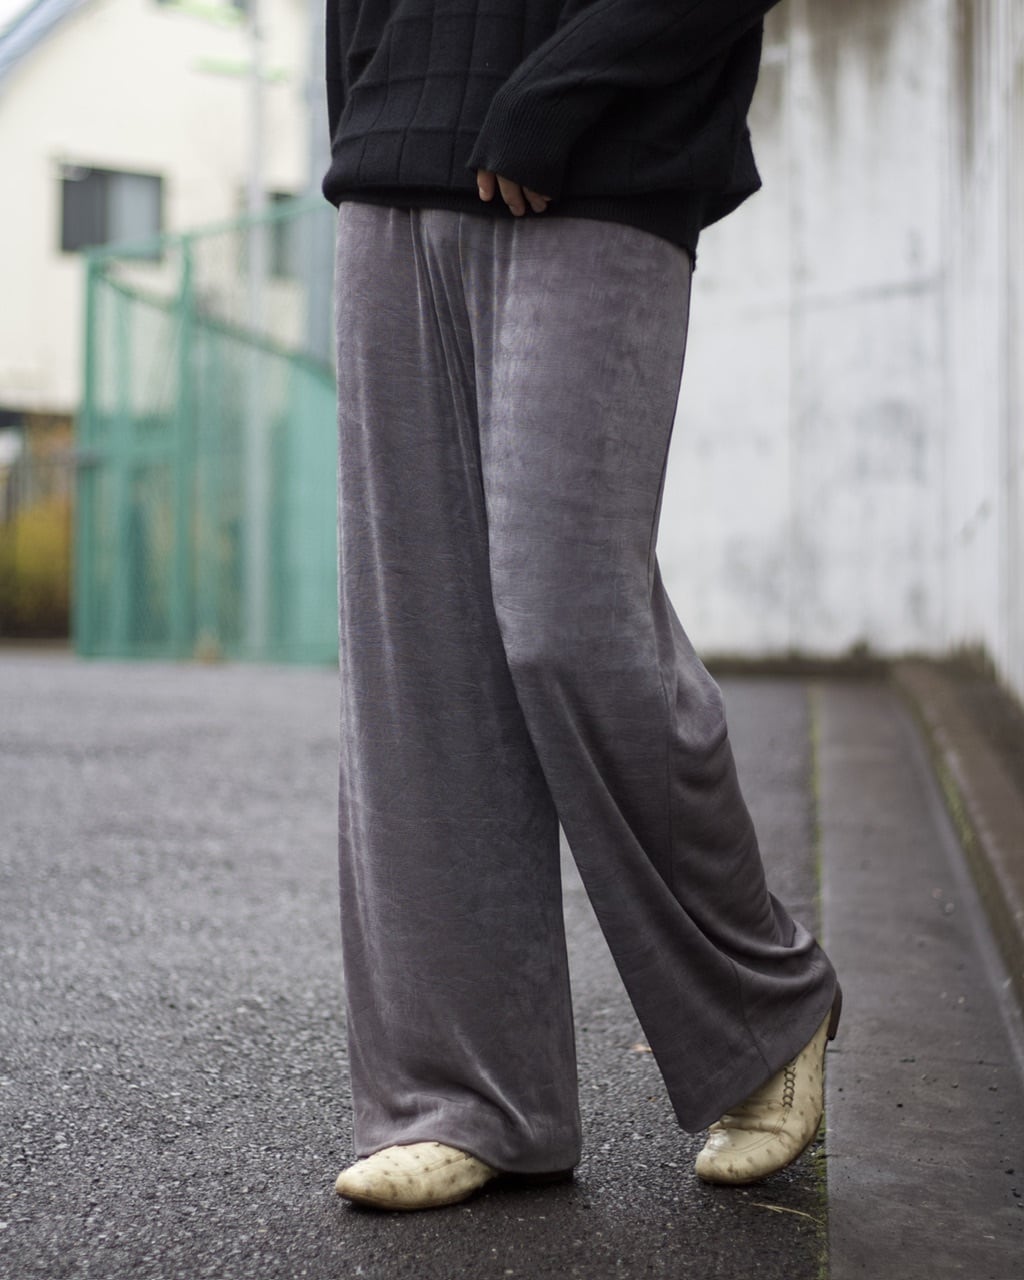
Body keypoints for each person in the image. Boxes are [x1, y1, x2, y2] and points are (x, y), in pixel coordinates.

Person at [321, 0, 841, 1212]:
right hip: (394, 160)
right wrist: (368, 106)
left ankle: (762, 1008)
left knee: (569, 621)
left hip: (608, 157)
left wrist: (568, 86)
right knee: (421, 664)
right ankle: (462, 1096)